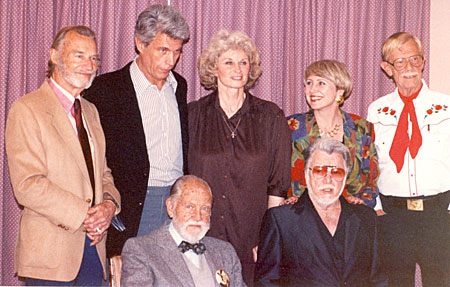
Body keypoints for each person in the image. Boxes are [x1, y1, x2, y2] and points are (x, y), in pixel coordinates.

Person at [5, 26, 121, 286]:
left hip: (94, 250)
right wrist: (87, 214)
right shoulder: (27, 109)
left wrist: (109, 207)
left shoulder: (91, 111)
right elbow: (28, 185)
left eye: (94, 58)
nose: (89, 65)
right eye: (79, 55)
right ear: (54, 56)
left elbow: (103, 174)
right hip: (50, 259)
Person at [83, 4, 190, 259]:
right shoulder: (106, 90)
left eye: (176, 52)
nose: (170, 61)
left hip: (176, 200)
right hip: (133, 204)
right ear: (140, 44)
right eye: (163, 50)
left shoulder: (180, 86)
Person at [188, 29, 291, 285]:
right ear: (214, 69)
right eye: (229, 62)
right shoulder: (192, 115)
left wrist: (268, 239)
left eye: (244, 62)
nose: (238, 69)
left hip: (251, 238)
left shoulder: (270, 116)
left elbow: (278, 185)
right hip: (201, 234)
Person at [367, 32, 450, 286]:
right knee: (396, 282)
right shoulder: (377, 110)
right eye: (399, 61)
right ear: (387, 68)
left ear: (423, 62)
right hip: (393, 216)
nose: (409, 67)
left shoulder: (446, 107)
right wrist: (376, 204)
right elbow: (370, 161)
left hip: (439, 214)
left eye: (414, 59)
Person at [254, 138, 387, 286]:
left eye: (336, 172)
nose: (328, 179)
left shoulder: (366, 218)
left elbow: (378, 280)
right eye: (319, 171)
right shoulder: (280, 221)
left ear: (345, 178)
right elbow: (267, 283)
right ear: (306, 174)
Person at [121, 175, 246, 287]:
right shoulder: (141, 251)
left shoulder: (225, 252)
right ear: (171, 207)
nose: (197, 217)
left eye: (204, 208)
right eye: (189, 207)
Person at [287, 59, 379, 207]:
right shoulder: (292, 127)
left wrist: (360, 203)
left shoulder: (362, 128)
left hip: (351, 215)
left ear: (339, 91)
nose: (312, 89)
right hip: (302, 215)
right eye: (309, 83)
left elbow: (370, 179)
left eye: (321, 83)